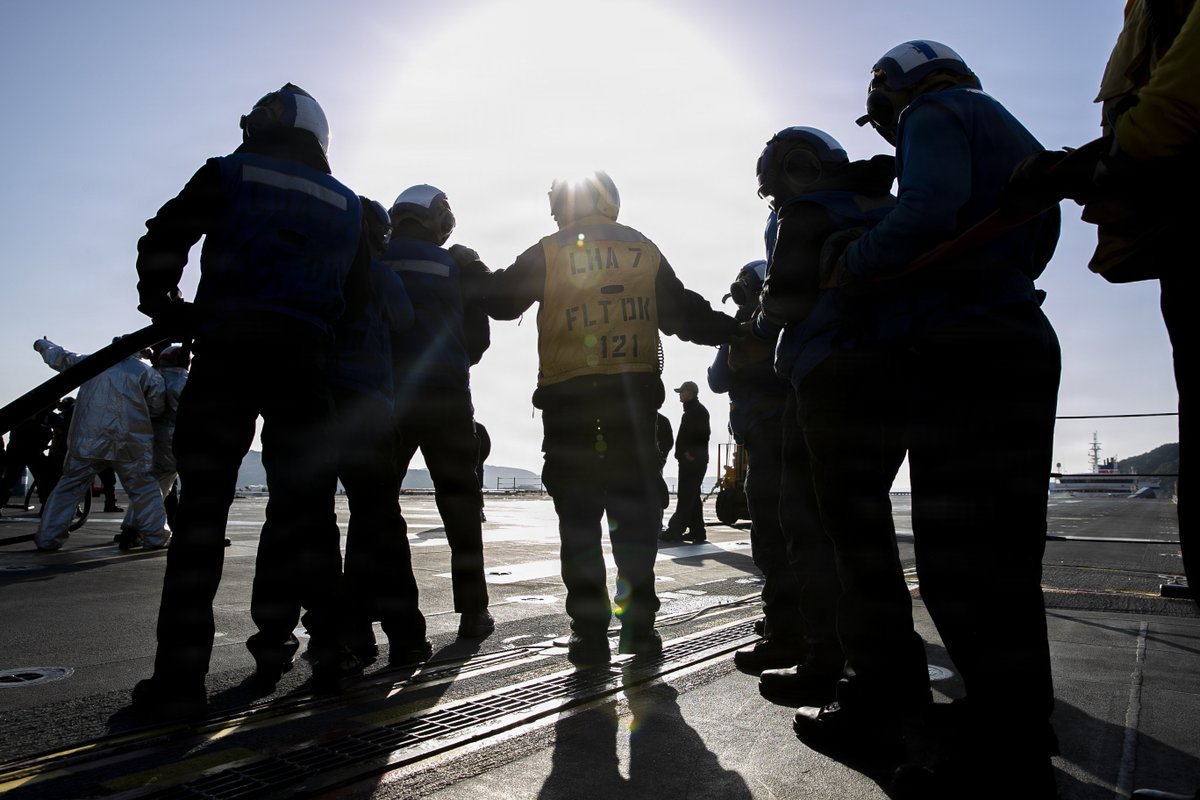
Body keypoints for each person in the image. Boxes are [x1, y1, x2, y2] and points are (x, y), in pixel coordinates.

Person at [814, 42, 1063, 798]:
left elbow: (928, 210)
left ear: (896, 86)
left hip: (963, 350)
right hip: (1015, 334)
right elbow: (1035, 244)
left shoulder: (936, 112)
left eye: (883, 109)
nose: (888, 129)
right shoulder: (1004, 128)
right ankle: (1014, 722)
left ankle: (999, 755)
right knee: (1004, 558)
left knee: (960, 557)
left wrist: (853, 263)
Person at [131, 83, 369, 719]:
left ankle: (178, 683)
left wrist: (163, 304)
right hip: (305, 362)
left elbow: (164, 237)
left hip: (227, 350)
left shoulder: (228, 172)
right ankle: (333, 656)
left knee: (201, 517)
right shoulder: (348, 204)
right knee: (311, 514)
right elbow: (363, 298)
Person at [482, 170, 739, 666]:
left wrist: (460, 273)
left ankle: (589, 634)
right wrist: (737, 331)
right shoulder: (642, 249)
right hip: (630, 410)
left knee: (578, 524)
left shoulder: (551, 250)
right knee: (634, 523)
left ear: (566, 205)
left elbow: (498, 300)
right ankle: (640, 629)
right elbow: (685, 315)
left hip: (570, 411)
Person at [382, 184, 495, 639]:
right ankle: (473, 612)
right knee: (460, 507)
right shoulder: (455, 264)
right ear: (440, 218)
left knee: (379, 507)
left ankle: (395, 625)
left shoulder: (376, 258)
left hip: (387, 397)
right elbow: (479, 342)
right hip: (447, 396)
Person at [332, 196, 431, 672]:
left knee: (306, 521)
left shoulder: (323, 260)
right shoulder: (381, 274)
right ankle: (405, 635)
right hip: (368, 405)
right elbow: (406, 320)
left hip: (313, 402)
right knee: (380, 521)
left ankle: (332, 635)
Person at [707, 259, 798, 673]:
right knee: (785, 535)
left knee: (774, 538)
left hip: (771, 435)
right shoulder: (756, 324)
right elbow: (717, 381)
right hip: (771, 437)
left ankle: (788, 634)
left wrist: (737, 332)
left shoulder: (767, 326)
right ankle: (791, 623)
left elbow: (718, 379)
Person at [31, 338, 168, 552]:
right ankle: (156, 536)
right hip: (129, 443)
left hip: (86, 442)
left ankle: (48, 538)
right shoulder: (147, 373)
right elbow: (156, 408)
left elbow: (61, 357)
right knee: (144, 490)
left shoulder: (91, 363)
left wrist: (41, 344)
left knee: (68, 489)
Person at [117, 344, 189, 547]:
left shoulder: (152, 377)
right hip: (176, 439)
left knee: (148, 486)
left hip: (148, 438)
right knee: (159, 486)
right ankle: (143, 530)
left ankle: (131, 529)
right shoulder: (185, 382)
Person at [659, 381, 711, 544]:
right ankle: (698, 531)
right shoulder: (692, 411)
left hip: (693, 462)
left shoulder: (697, 411)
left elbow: (703, 435)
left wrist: (690, 454)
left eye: (682, 391)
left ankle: (675, 529)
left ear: (691, 392)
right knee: (693, 497)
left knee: (686, 495)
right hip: (691, 461)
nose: (680, 394)